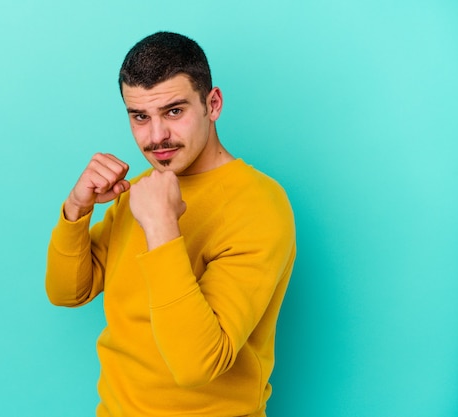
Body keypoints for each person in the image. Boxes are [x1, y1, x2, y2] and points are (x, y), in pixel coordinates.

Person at [45, 31, 296, 417]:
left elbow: (199, 364)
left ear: (213, 104)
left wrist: (162, 226)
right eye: (140, 117)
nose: (157, 136)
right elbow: (67, 292)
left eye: (174, 111)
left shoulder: (259, 205)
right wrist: (77, 209)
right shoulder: (141, 189)